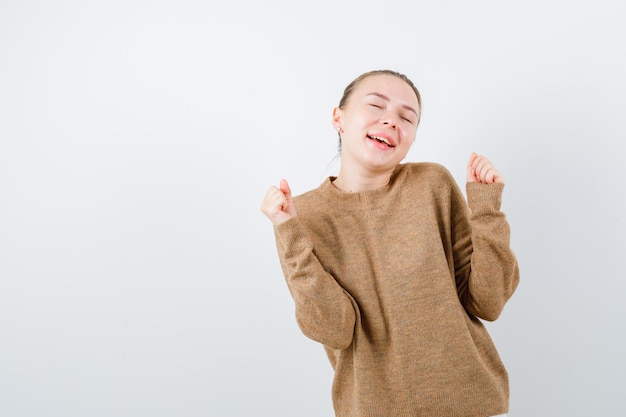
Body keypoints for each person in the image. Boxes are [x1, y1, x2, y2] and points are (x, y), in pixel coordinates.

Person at [260, 69, 519, 417]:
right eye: (376, 106)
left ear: (412, 137)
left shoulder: (432, 185)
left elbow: (489, 301)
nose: (391, 122)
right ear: (339, 117)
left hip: (470, 403)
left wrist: (486, 209)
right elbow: (333, 328)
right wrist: (288, 231)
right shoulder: (301, 215)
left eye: (406, 117)